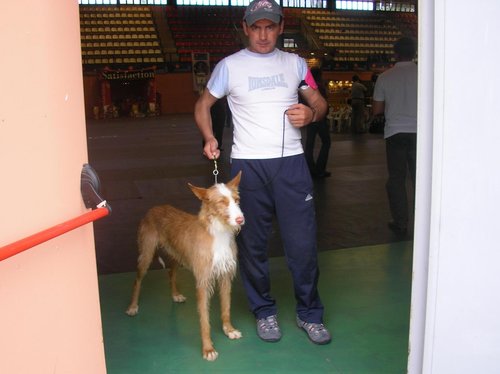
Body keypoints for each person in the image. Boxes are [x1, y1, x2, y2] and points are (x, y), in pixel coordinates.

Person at [194, 0, 331, 345]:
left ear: (281, 27)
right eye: (257, 27)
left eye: (270, 27)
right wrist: (209, 136)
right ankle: (264, 311)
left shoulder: (297, 64)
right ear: (245, 27)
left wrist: (311, 116)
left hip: (292, 164)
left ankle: (309, 314)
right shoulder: (229, 66)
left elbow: (319, 103)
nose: (263, 34)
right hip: (248, 167)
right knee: (253, 245)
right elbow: (202, 105)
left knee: (302, 243)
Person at [372, 36, 417, 236]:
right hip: (420, 133)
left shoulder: (385, 77)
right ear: (415, 52)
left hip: (395, 132)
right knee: (421, 179)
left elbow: (377, 110)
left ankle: (401, 222)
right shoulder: (424, 75)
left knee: (396, 179)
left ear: (395, 53)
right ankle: (426, 221)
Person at [304, 67, 331, 178]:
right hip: (319, 118)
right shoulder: (319, 86)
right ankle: (320, 168)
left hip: (309, 118)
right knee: (326, 142)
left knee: (309, 144)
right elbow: (323, 104)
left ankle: (310, 168)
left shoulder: (306, 86)